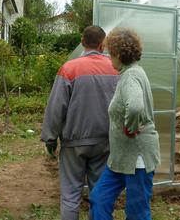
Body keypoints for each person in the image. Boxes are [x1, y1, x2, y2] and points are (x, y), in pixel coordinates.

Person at [41, 25, 119, 220]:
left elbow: (56, 108)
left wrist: (50, 141)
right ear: (103, 45)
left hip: (73, 144)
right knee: (99, 194)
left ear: (82, 42)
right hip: (105, 143)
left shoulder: (69, 68)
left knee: (70, 195)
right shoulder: (116, 69)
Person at [89, 27, 160, 220]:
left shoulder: (130, 76)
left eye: (110, 54)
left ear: (119, 55)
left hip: (137, 158)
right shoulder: (132, 72)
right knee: (99, 198)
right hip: (120, 158)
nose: (109, 58)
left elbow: (136, 107)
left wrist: (130, 127)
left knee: (137, 212)